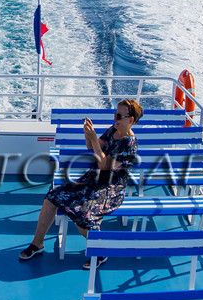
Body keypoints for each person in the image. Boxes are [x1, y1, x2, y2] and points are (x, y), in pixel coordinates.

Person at [19, 99, 142, 261]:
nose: (115, 119)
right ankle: (37, 243)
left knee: (83, 215)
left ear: (131, 120)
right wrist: (88, 134)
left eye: (119, 116)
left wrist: (93, 138)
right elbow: (92, 147)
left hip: (109, 189)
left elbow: (104, 165)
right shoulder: (114, 129)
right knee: (52, 197)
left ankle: (100, 250)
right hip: (92, 180)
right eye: (115, 115)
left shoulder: (130, 145)